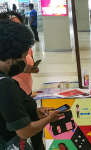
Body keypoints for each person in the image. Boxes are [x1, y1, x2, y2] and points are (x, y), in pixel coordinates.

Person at [0, 20, 61, 150]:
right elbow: (24, 132)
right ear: (10, 56)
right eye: (23, 57)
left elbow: (8, 113)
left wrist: (34, 112)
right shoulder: (6, 85)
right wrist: (49, 119)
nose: (24, 62)